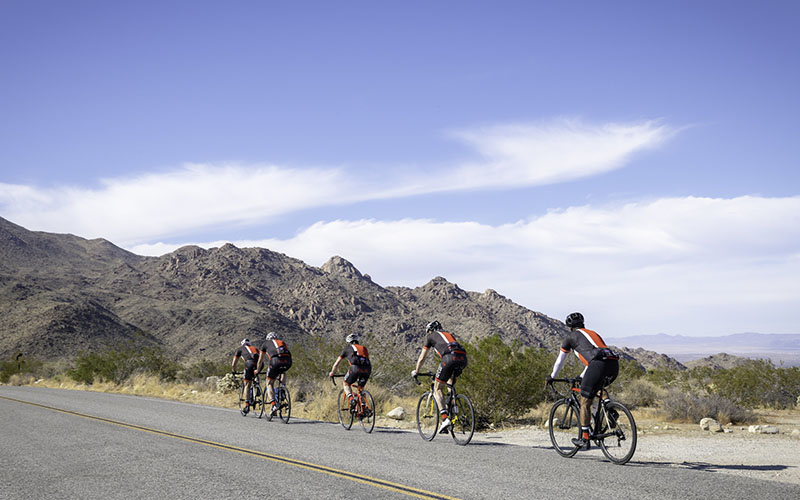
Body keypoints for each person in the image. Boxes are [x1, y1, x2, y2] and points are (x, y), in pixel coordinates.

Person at [546, 312, 620, 450]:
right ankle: (610, 410)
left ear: (569, 327)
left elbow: (560, 361)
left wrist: (552, 376)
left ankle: (585, 439)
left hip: (598, 364)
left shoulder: (570, 338)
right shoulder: (593, 333)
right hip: (613, 364)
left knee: (585, 401)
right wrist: (581, 377)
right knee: (599, 390)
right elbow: (594, 358)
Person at [411, 321, 468, 434]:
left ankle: (445, 419)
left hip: (449, 358)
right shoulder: (449, 334)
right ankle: (453, 405)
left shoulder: (431, 337)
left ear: (430, 330)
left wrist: (416, 371)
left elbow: (422, 357)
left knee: (437, 388)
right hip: (462, 358)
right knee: (450, 382)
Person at [328, 333, 372, 412]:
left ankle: (351, 399)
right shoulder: (364, 348)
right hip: (367, 369)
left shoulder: (347, 349)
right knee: (360, 388)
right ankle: (363, 406)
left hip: (355, 369)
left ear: (348, 342)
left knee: (346, 383)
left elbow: (336, 364)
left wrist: (332, 373)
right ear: (357, 341)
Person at [256, 332, 292, 416]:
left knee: (269, 383)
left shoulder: (265, 344)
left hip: (275, 361)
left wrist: (257, 370)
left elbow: (260, 360)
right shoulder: (282, 342)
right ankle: (283, 388)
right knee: (283, 371)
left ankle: (273, 404)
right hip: (288, 361)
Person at [232, 338, 261, 415]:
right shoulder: (255, 348)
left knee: (247, 385)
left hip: (249, 364)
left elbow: (234, 363)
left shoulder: (240, 349)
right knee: (255, 374)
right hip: (259, 364)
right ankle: (257, 386)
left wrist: (234, 371)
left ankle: (247, 405)